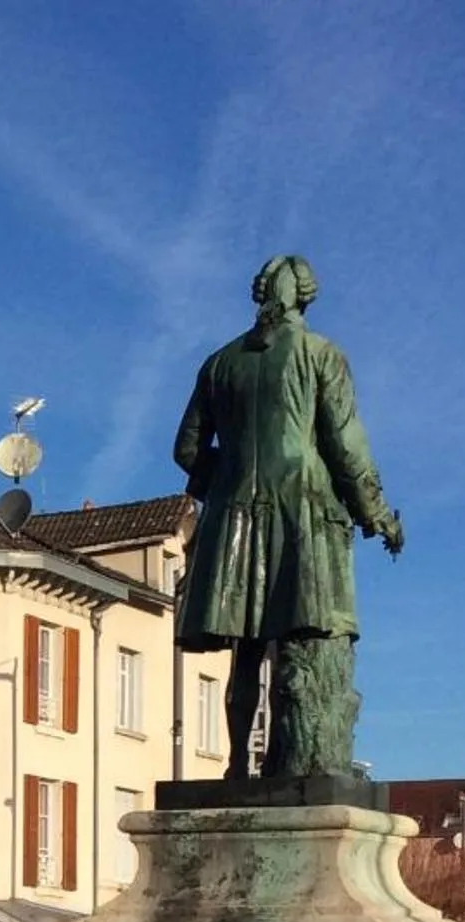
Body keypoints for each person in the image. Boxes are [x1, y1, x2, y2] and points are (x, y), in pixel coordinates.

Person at [174, 254, 402, 782]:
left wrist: (226, 477)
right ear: (304, 295)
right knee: (296, 641)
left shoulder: (219, 363)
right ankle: (295, 759)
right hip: (299, 510)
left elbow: (186, 449)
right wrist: (378, 514)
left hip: (233, 515)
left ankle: (236, 766)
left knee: (246, 649)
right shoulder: (320, 354)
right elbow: (346, 446)